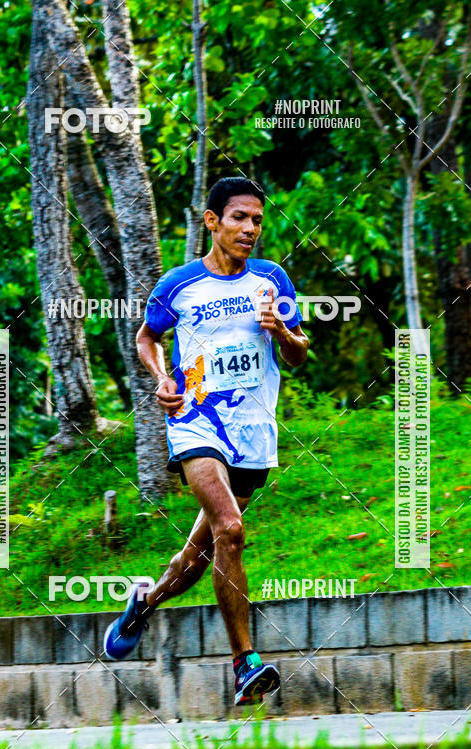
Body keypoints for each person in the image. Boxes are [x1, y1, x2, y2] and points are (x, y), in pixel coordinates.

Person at [104, 176, 309, 706]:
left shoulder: (271, 279)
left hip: (253, 430)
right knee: (231, 527)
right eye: (239, 217)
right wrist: (160, 378)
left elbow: (300, 354)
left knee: (200, 554)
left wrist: (282, 331)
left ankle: (143, 604)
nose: (250, 229)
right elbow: (147, 337)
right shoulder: (178, 283)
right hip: (195, 419)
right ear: (213, 221)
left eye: (258, 220)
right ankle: (245, 663)